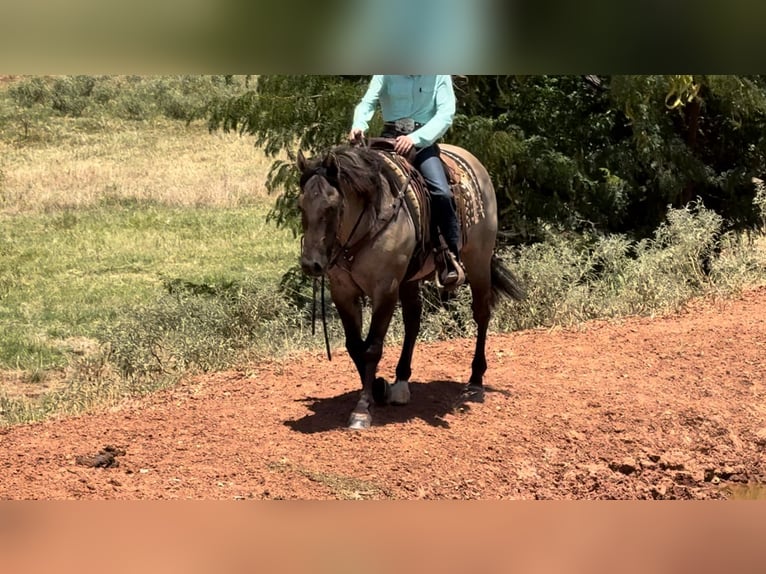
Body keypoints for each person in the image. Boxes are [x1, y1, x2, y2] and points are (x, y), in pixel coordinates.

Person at [348, 75, 465, 289]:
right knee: (356, 183)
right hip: (387, 140)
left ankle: (449, 255)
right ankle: (344, 251)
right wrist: (359, 125)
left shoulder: (439, 74)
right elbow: (368, 101)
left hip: (421, 144)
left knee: (441, 192)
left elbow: (445, 115)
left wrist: (415, 138)